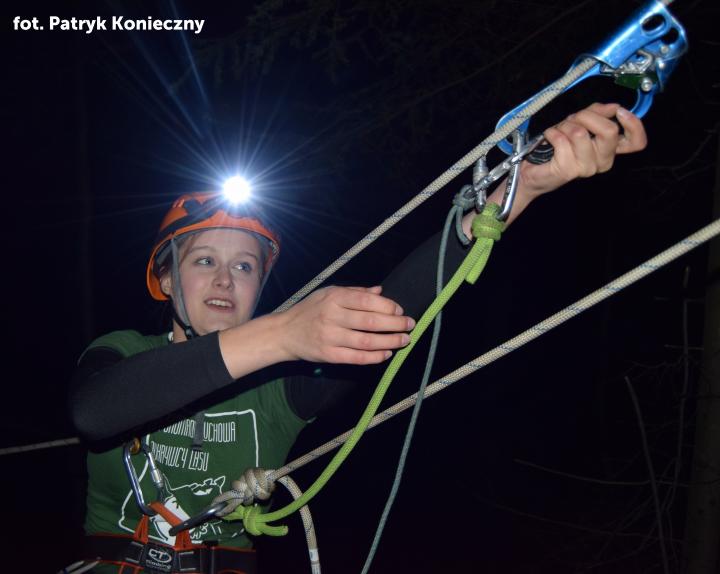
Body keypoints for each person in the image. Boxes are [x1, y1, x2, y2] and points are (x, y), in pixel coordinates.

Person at [68, 103, 647, 573]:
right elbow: (96, 412)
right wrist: (283, 332)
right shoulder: (122, 351)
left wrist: (518, 190)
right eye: (203, 261)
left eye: (245, 266)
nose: (224, 279)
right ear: (166, 279)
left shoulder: (281, 387)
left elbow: (389, 308)